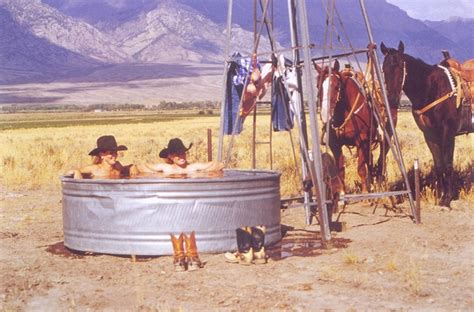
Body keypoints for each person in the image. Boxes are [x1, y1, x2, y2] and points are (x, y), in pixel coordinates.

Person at [135, 138, 224, 175]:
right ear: (170, 156)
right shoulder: (165, 168)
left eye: (182, 153)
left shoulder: (193, 168)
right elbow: (141, 166)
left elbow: (219, 165)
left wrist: (203, 172)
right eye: (177, 154)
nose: (181, 156)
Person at [65, 135, 134, 179]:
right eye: (110, 153)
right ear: (102, 155)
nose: (114, 155)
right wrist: (77, 172)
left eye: (115, 152)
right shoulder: (95, 169)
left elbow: (126, 170)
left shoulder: (117, 166)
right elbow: (68, 174)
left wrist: (132, 167)